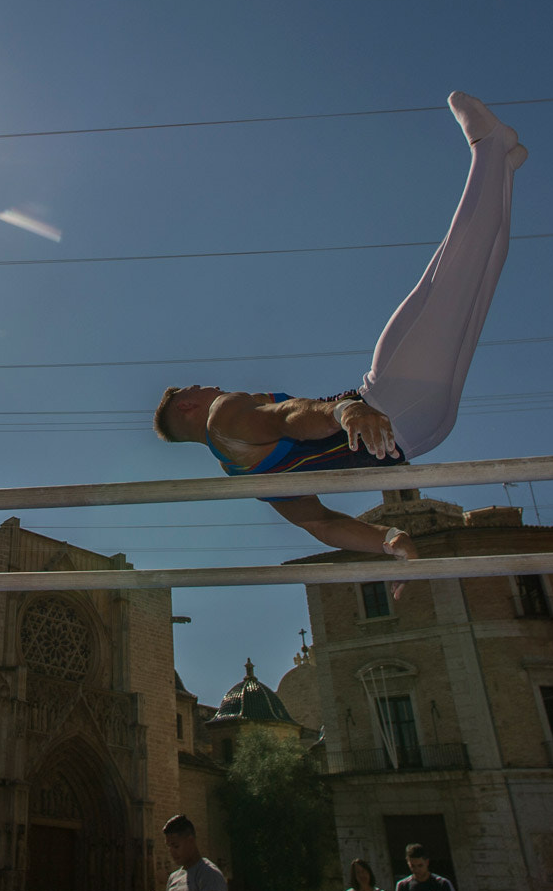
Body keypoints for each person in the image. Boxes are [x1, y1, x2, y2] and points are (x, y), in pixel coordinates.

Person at [152, 93, 527, 594]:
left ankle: (502, 165)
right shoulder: (224, 413)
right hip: (387, 409)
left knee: (469, 284)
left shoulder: (241, 472)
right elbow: (290, 418)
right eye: (198, 386)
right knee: (454, 276)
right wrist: (345, 414)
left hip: (416, 433)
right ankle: (488, 148)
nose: (210, 383)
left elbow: (322, 525)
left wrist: (391, 539)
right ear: (191, 406)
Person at [139, 815, 227, 891]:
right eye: (168, 846)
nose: (171, 851)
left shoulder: (208, 873)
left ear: (191, 841)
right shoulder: (173, 878)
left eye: (175, 846)